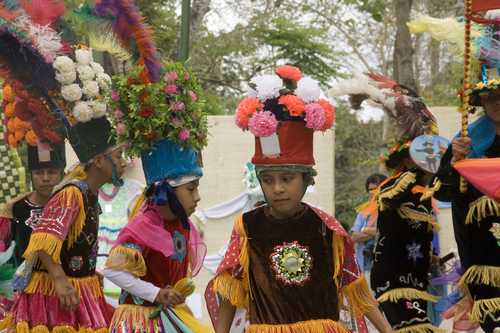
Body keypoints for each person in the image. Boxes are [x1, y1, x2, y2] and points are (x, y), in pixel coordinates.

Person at [206, 65, 393, 333]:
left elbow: (354, 285)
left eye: (287, 179)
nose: (278, 188)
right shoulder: (246, 226)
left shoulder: (327, 227)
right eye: (268, 180)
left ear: (306, 179)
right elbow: (229, 287)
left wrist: (387, 331)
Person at [0, 39, 126, 331]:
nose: (122, 162)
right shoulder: (72, 193)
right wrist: (58, 279)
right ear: (97, 161)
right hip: (53, 299)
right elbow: (42, 240)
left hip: (77, 289)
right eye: (117, 156)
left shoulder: (88, 194)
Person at [101, 55, 211, 331]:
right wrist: (155, 292)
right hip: (141, 320)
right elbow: (113, 270)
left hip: (167, 316)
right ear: (167, 190)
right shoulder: (145, 224)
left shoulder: (179, 222)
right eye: (191, 189)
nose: (197, 197)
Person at [332, 72, 442, 332]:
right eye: (423, 158)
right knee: (411, 328)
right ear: (405, 161)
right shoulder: (395, 186)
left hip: (415, 278)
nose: (428, 165)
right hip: (393, 281)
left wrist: (430, 257)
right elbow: (393, 203)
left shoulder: (424, 193)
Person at [434, 70, 500, 333]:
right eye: (490, 97)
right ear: (481, 103)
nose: (497, 102)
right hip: (479, 243)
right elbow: (441, 192)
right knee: (491, 315)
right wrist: (455, 163)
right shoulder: (465, 140)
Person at [0, 144, 66, 269]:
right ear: (31, 175)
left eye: (52, 172)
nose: (45, 178)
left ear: (62, 174)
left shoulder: (72, 205)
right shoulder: (14, 209)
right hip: (25, 284)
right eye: (39, 173)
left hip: (66, 283)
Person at [350, 173, 387, 283]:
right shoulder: (364, 210)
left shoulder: (391, 209)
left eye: (376, 188)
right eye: (370, 190)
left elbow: (391, 233)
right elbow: (354, 236)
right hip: (364, 267)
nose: (373, 192)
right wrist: (375, 231)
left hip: (385, 265)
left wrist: (365, 230)